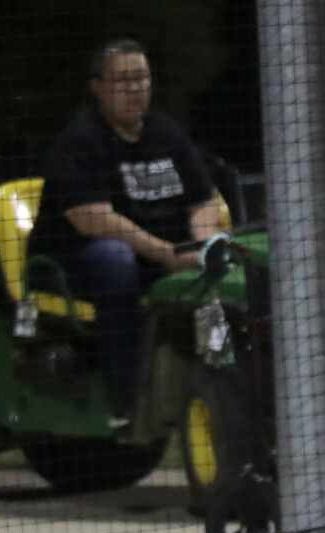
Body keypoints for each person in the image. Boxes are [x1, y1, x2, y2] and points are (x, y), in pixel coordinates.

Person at [25, 38, 230, 422]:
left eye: (142, 79)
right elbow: (94, 220)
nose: (134, 89)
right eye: (123, 81)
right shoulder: (80, 141)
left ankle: (221, 383)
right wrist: (167, 254)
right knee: (115, 259)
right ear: (98, 87)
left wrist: (201, 245)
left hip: (155, 253)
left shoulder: (166, 133)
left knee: (231, 259)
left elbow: (204, 201)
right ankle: (128, 401)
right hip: (75, 265)